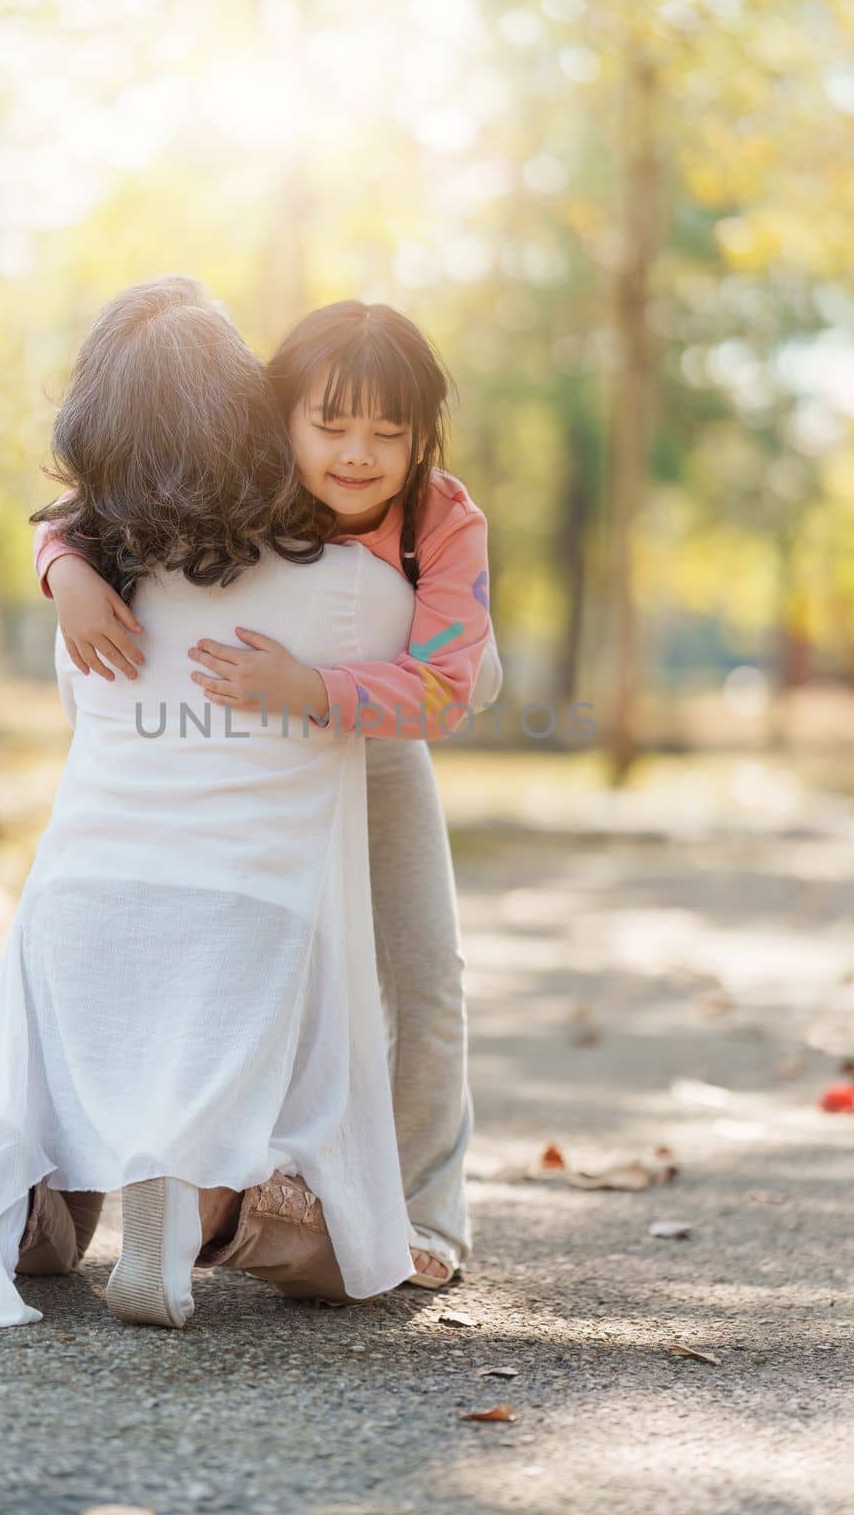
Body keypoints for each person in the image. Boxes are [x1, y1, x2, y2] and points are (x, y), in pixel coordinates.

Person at [0, 278, 418, 1328]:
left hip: (77, 904)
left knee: (69, 1084)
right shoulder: (352, 587)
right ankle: (206, 1202)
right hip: (247, 914)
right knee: (347, 1249)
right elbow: (465, 683)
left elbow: (81, 704)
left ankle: (42, 1205)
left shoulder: (87, 593)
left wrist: (63, 559)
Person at [35, 298, 502, 1288]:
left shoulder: (440, 518)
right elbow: (89, 511)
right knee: (232, 953)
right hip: (234, 747)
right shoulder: (242, 475)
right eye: (329, 424)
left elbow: (446, 684)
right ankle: (155, 1172)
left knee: (420, 968)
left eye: (388, 431)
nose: (356, 453)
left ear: (423, 437)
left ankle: (422, 1213)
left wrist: (317, 689)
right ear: (280, 414)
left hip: (369, 740)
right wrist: (63, 571)